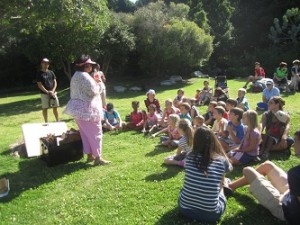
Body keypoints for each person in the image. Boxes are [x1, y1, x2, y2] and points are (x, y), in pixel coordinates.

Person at [228, 130, 300, 224]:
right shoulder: (295, 174)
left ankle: (228, 187)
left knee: (248, 171)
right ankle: (230, 186)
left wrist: (283, 197)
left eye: (296, 141)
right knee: (267, 165)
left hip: (285, 209)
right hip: (290, 194)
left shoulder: (295, 174)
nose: (293, 145)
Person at [178, 127, 232, 223]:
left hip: (184, 209)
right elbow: (229, 169)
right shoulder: (221, 160)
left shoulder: (190, 156)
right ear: (213, 140)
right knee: (221, 181)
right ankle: (225, 186)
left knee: (184, 188)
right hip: (211, 215)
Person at [63, 54, 110, 165]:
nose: (91, 67)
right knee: (95, 133)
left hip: (79, 110)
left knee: (85, 134)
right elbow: (93, 92)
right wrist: (99, 83)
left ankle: (90, 156)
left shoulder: (75, 75)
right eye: (90, 65)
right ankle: (98, 158)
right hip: (88, 111)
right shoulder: (84, 76)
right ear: (86, 65)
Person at [36, 58, 59, 122]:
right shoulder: (39, 73)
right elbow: (39, 84)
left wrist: (53, 91)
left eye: (48, 63)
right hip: (44, 94)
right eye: (45, 63)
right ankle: (46, 122)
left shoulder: (51, 72)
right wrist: (47, 92)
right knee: (45, 108)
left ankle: (58, 121)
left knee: (55, 107)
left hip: (53, 93)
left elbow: (55, 82)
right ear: (41, 64)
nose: (46, 64)